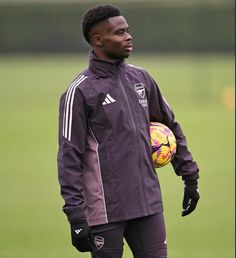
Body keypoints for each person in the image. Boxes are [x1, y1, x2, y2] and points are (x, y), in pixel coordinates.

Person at [57, 4, 200, 258]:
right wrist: (76, 216)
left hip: (148, 206)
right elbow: (69, 157)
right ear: (98, 40)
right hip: (106, 210)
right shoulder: (79, 92)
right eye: (119, 32)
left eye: (128, 30)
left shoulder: (141, 79)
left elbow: (170, 126)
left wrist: (190, 177)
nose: (128, 36)